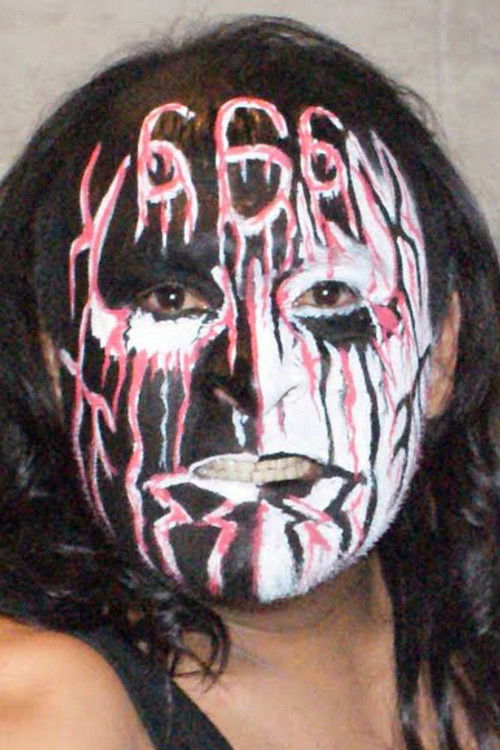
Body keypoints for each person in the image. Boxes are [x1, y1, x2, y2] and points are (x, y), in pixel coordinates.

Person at [0, 15, 497, 750]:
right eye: (171, 300)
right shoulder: (49, 711)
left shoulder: (471, 650)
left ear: (442, 354)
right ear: (58, 365)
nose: (252, 378)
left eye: (327, 296)